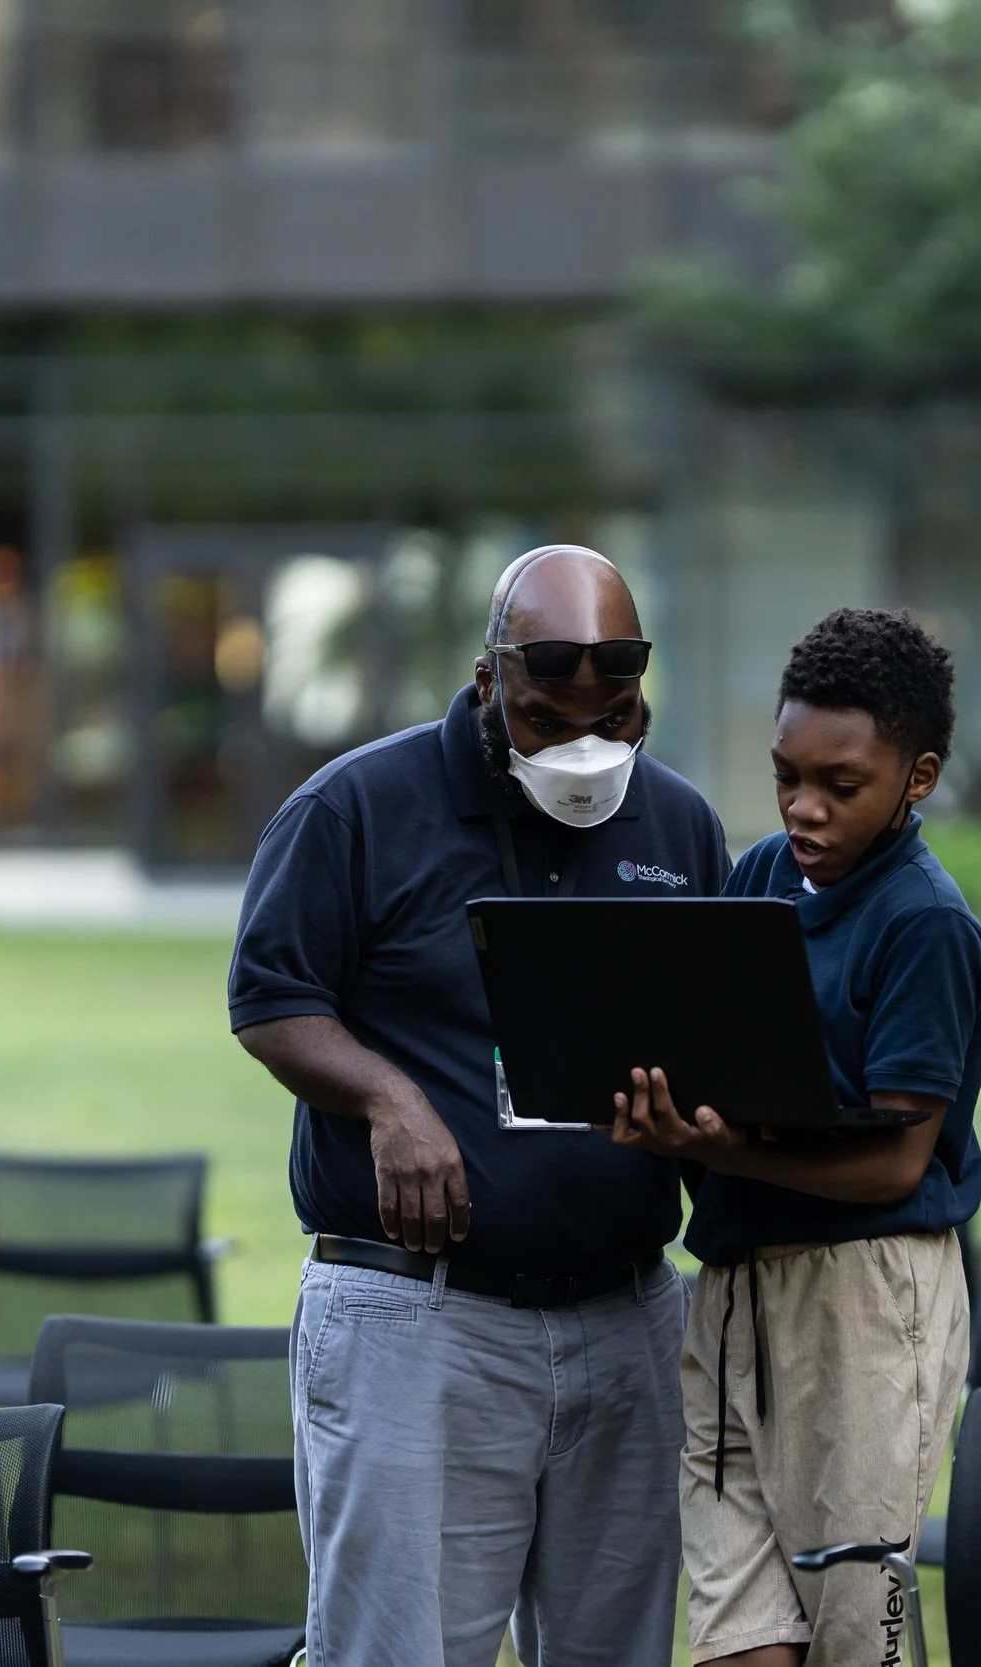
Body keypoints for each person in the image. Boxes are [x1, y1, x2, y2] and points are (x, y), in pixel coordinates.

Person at [229, 545, 732, 1667]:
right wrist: (388, 1096)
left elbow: (715, 1042)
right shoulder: (357, 809)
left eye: (616, 719)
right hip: (421, 1319)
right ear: (488, 679)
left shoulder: (678, 826)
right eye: (553, 721)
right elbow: (271, 1000)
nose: (587, 748)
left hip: (627, 1313)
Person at [612, 607, 981, 1667]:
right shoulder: (760, 879)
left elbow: (896, 1159)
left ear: (916, 778)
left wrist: (722, 1151)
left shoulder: (924, 923)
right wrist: (669, 1121)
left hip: (866, 1301)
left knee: (850, 1636)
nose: (802, 806)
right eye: (785, 774)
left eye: (840, 783)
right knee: (737, 1628)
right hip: (732, 1289)